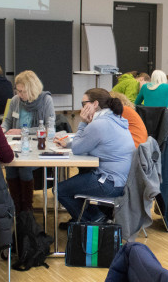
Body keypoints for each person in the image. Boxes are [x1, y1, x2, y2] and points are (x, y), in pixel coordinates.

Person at [56, 89, 135, 223]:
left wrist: (83, 122)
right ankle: (90, 218)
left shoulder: (99, 124)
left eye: (83, 103)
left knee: (59, 190)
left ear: (95, 104)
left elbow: (77, 148)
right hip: (122, 181)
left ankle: (94, 219)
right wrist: (70, 144)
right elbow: (88, 144)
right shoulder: (114, 118)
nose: (81, 108)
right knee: (80, 178)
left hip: (110, 183)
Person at [1, 70, 56, 213]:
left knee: (24, 167)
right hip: (16, 144)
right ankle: (16, 207)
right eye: (17, 91)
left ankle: (26, 209)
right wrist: (2, 130)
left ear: (32, 90)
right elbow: (7, 122)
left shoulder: (45, 101)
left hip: (37, 145)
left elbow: (49, 127)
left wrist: (23, 131)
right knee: (10, 165)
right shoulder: (15, 101)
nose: (19, 94)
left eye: (22, 91)